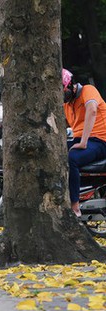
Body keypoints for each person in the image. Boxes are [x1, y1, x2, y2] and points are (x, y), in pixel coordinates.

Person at [62, 68, 106, 217]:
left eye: (63, 91)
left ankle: (74, 206)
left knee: (71, 158)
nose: (61, 96)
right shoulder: (67, 105)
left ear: (70, 85)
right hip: (80, 140)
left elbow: (92, 110)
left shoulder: (88, 90)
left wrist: (83, 142)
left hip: (100, 140)